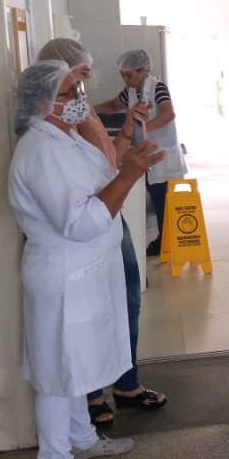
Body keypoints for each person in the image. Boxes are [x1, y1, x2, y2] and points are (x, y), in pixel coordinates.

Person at [8, 60, 165, 459]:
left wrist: (126, 154)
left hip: (84, 271)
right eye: (70, 92)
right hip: (63, 275)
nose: (81, 99)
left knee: (74, 365)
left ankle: (82, 439)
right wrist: (130, 174)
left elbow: (100, 178)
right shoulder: (41, 152)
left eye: (80, 89)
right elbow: (78, 222)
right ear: (42, 103)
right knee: (58, 375)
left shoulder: (66, 137)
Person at [37, 38, 169, 428]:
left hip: (108, 215)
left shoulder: (81, 114)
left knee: (126, 298)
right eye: (79, 78)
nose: (85, 88)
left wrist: (127, 132)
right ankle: (92, 393)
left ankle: (126, 383)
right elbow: (82, 190)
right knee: (92, 309)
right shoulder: (52, 131)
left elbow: (106, 161)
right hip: (86, 224)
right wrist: (128, 171)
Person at [95, 49, 187, 257]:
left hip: (163, 153)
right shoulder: (130, 91)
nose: (126, 80)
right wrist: (94, 109)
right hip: (147, 152)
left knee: (164, 200)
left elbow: (168, 114)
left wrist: (143, 128)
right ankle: (165, 240)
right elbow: (114, 105)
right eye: (123, 75)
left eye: (129, 75)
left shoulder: (158, 88)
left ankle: (166, 242)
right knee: (156, 197)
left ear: (143, 70)